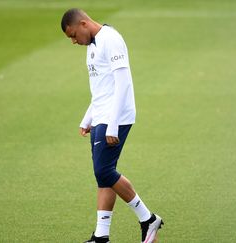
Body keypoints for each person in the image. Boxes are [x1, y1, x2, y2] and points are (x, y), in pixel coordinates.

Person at [61, 8, 164, 243]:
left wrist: (112, 124)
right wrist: (87, 118)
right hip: (101, 116)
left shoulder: (111, 40)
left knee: (104, 170)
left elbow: (123, 83)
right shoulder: (92, 47)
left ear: (84, 24)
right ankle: (101, 236)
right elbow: (101, 90)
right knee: (103, 176)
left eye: (73, 35)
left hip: (115, 117)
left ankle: (147, 218)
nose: (74, 41)